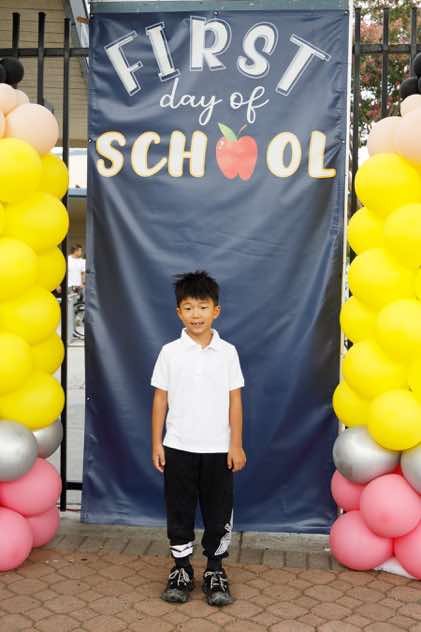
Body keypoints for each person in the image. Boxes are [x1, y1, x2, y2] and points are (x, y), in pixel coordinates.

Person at [151, 270, 246, 607]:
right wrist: (157, 442)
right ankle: (181, 570)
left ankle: (215, 570)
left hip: (219, 449)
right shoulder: (170, 352)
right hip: (178, 447)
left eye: (203, 307)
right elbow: (160, 400)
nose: (196, 315)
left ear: (215, 311)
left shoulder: (228, 352)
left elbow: (235, 400)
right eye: (189, 308)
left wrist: (236, 444)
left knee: (218, 511)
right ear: (179, 312)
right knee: (179, 509)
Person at [67, 244, 86, 340]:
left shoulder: (82, 261)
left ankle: (76, 324)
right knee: (70, 308)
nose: (81, 252)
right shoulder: (67, 260)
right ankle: (71, 330)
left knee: (78, 307)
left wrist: (82, 283)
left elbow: (82, 273)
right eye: (80, 250)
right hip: (69, 286)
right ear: (76, 251)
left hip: (78, 286)